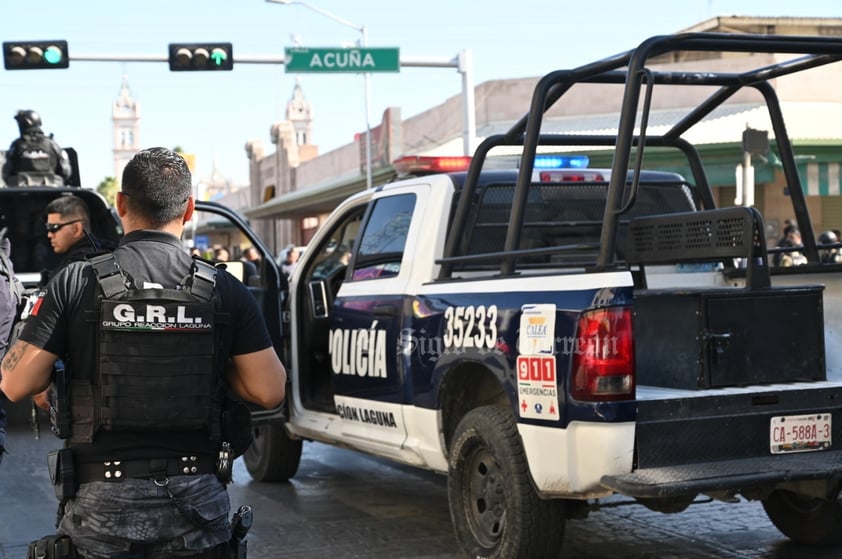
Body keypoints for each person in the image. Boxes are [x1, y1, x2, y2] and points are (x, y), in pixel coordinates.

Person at [0, 147, 286, 558]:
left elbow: (14, 384)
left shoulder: (75, 282)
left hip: (101, 511)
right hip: (198, 510)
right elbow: (270, 390)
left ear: (120, 205)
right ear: (188, 209)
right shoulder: (223, 288)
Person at [1, 110, 72, 187]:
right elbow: (65, 172)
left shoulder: (15, 146)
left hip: (19, 194)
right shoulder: (52, 144)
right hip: (53, 192)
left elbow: (6, 172)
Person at [41, 195, 98, 286]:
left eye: (54, 228)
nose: (49, 234)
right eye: (48, 228)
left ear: (76, 229)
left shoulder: (73, 270)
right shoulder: (108, 255)